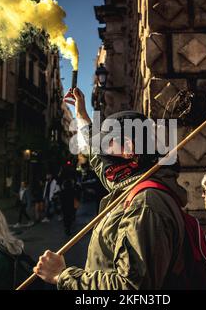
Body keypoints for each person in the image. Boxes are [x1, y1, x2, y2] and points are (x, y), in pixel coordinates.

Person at [33, 87, 191, 289]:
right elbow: (98, 159)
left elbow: (131, 288)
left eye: (107, 143)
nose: (102, 151)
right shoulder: (133, 182)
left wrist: (62, 276)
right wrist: (81, 116)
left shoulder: (145, 205)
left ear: (128, 148)